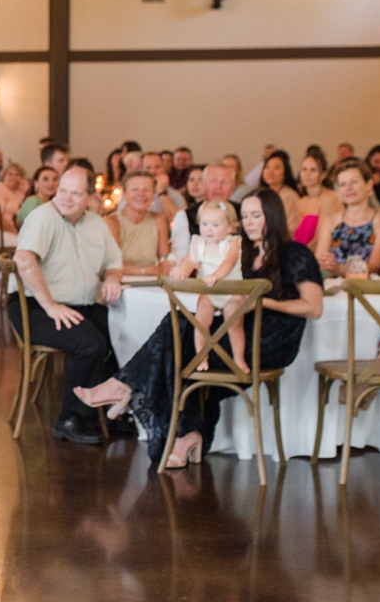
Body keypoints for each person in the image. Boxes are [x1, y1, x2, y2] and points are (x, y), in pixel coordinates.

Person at [76, 190, 323, 468]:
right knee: (178, 326)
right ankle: (183, 430)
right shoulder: (242, 252)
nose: (250, 222)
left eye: (257, 216)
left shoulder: (295, 253)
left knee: (180, 345)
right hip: (237, 329)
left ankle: (132, 392)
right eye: (245, 217)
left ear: (273, 217)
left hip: (272, 341)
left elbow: (313, 307)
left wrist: (262, 302)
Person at [7, 166, 125, 444]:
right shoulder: (42, 217)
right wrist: (50, 306)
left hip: (79, 304)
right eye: (63, 191)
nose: (67, 198)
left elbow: (114, 264)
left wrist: (112, 279)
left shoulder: (97, 223)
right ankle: (71, 419)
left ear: (89, 198)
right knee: (91, 344)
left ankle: (107, 411)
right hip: (34, 307)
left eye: (76, 193)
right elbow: (24, 259)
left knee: (122, 333)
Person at [172, 200, 246, 373]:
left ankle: (239, 359)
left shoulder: (232, 242)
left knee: (234, 324)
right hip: (209, 292)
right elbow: (190, 260)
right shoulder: (199, 243)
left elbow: (229, 261)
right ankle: (202, 356)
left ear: (229, 228)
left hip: (231, 291)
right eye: (205, 224)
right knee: (201, 323)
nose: (209, 229)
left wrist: (216, 276)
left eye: (215, 225)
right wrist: (182, 272)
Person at [316, 157, 380, 277]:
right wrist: (327, 263)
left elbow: (375, 266)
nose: (348, 188)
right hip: (333, 289)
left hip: (370, 290)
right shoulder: (330, 221)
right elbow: (319, 261)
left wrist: (339, 268)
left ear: (368, 185)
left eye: (354, 182)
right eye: (342, 184)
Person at [105, 170, 169, 275]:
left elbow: (165, 260)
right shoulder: (112, 222)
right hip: (118, 283)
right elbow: (111, 265)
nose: (141, 194)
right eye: (135, 190)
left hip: (152, 283)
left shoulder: (159, 219)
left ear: (153, 195)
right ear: (124, 195)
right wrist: (146, 270)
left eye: (147, 190)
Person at [171, 161, 231, 263]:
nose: (218, 186)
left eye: (224, 182)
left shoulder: (244, 213)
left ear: (233, 187)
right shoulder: (185, 216)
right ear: (204, 185)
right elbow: (180, 259)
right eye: (213, 181)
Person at [293, 152, 340, 246]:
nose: (307, 174)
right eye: (304, 169)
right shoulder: (301, 201)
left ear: (323, 175)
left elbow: (322, 237)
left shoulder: (330, 197)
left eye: (313, 170)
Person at [259, 149, 303, 233]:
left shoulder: (289, 196)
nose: (270, 171)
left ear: (285, 172)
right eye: (267, 167)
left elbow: (290, 229)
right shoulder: (261, 194)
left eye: (276, 168)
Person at [0, 161, 28, 239]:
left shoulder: (18, 192)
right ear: (4, 176)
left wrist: (25, 189)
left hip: (12, 232)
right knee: (27, 247)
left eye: (17, 175)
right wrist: (13, 231)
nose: (13, 177)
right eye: (10, 174)